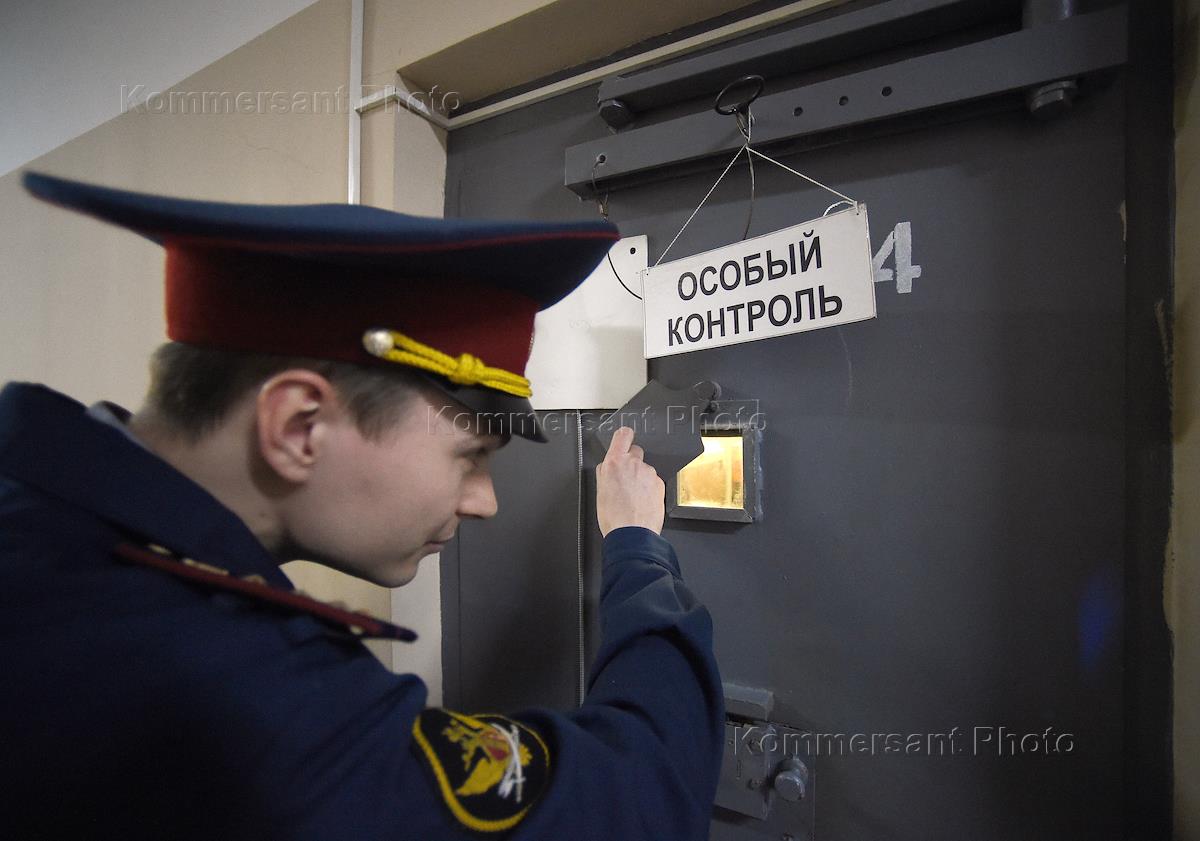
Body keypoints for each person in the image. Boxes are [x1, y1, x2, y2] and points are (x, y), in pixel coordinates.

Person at [0, 172, 724, 840]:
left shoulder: (45, 534)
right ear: (299, 427)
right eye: (470, 454)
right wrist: (636, 547)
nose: (486, 502)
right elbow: (642, 798)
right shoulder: (238, 697)